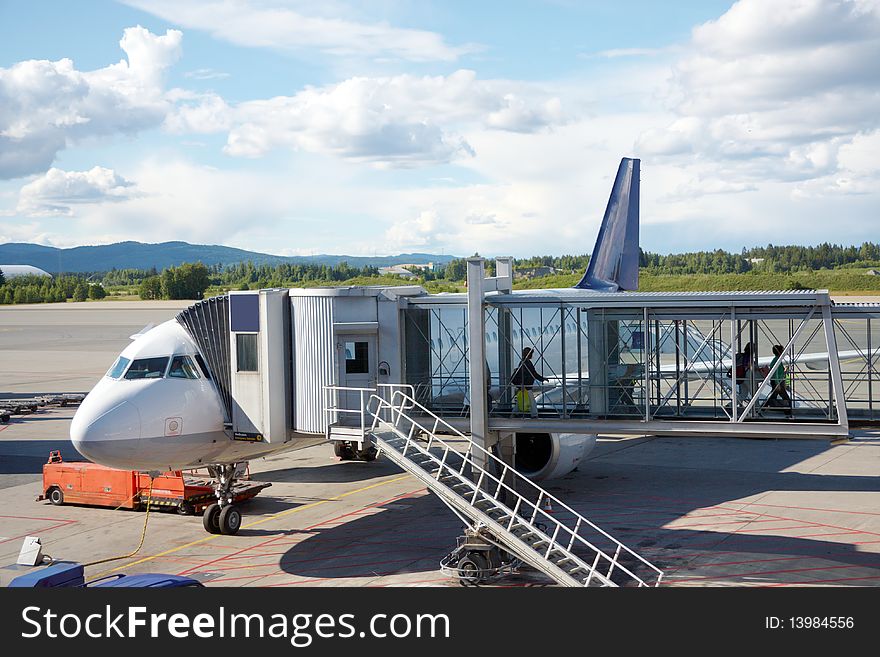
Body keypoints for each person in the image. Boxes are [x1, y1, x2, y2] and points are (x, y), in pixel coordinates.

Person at [510, 347, 547, 418]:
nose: (532, 355)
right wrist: (542, 379)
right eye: (531, 353)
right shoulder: (526, 363)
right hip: (526, 386)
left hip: (524, 386)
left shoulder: (523, 362)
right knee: (532, 402)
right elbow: (533, 373)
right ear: (528, 354)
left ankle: (514, 413)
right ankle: (534, 415)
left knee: (520, 401)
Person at [763, 344, 792, 416]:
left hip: (777, 381)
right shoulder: (777, 360)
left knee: (773, 395)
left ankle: (764, 407)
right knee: (784, 396)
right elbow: (775, 373)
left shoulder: (776, 359)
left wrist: (784, 370)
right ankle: (788, 409)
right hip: (777, 381)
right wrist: (778, 384)